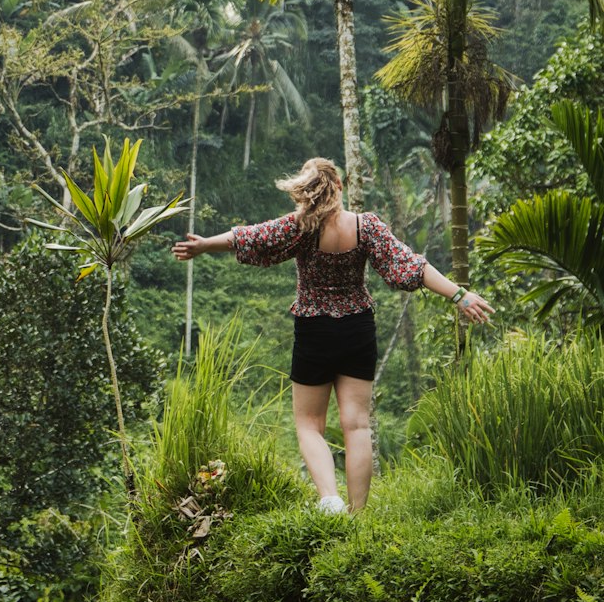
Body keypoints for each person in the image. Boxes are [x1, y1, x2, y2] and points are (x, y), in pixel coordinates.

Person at [171, 156, 494, 513]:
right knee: (356, 426)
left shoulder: (299, 227)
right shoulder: (366, 227)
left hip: (314, 330)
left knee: (309, 425)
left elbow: (248, 237)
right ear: (339, 186)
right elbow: (412, 265)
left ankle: (330, 498)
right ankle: (356, 515)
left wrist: (202, 245)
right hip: (358, 328)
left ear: (307, 193)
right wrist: (460, 295)